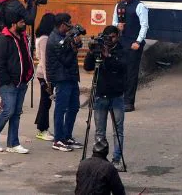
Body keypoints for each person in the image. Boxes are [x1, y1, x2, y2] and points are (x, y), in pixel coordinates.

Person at [0, 12, 34, 153]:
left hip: (22, 82)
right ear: (13, 24)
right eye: (21, 22)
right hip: (8, 84)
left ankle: (13, 144)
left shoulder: (23, 37)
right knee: (8, 110)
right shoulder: (4, 39)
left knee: (16, 113)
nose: (24, 24)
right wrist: (7, 80)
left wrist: (27, 76)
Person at [84, 25, 128, 169]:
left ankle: (117, 159)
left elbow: (121, 66)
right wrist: (92, 52)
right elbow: (87, 67)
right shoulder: (99, 48)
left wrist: (108, 56)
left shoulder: (122, 50)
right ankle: (100, 158)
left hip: (116, 95)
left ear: (117, 37)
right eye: (107, 37)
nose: (110, 40)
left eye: (112, 37)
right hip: (100, 94)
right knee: (99, 130)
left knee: (118, 130)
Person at [48, 13, 84, 152]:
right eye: (69, 22)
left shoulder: (64, 37)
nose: (71, 25)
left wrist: (75, 43)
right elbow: (66, 60)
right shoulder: (55, 39)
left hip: (71, 77)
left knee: (74, 107)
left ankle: (67, 136)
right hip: (62, 78)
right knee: (61, 109)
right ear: (63, 24)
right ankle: (58, 140)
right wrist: (73, 48)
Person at [115, 0, 149, 111]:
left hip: (134, 44)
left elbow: (144, 25)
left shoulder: (140, 6)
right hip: (121, 43)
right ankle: (119, 100)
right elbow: (114, 21)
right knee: (120, 72)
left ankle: (129, 102)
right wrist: (117, 26)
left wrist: (138, 42)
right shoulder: (118, 5)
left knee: (131, 73)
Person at [33, 11, 57, 142]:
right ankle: (42, 130)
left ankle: (42, 127)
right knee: (45, 102)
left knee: (45, 102)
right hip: (44, 74)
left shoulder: (41, 37)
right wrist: (49, 81)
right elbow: (45, 61)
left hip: (42, 73)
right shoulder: (45, 39)